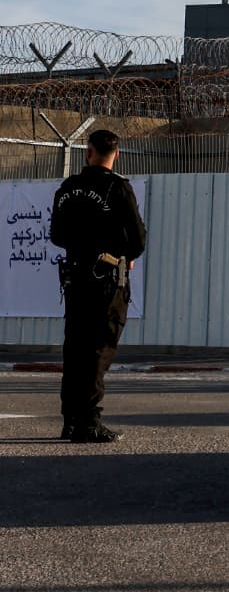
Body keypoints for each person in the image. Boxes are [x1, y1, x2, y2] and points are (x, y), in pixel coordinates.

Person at [50, 129, 146, 444]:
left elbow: (57, 236)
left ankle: (71, 420)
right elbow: (138, 240)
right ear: (115, 154)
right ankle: (88, 421)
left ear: (88, 152)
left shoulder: (67, 189)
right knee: (99, 349)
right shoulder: (117, 188)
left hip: (75, 278)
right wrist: (121, 252)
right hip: (106, 281)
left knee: (75, 348)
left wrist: (82, 243)